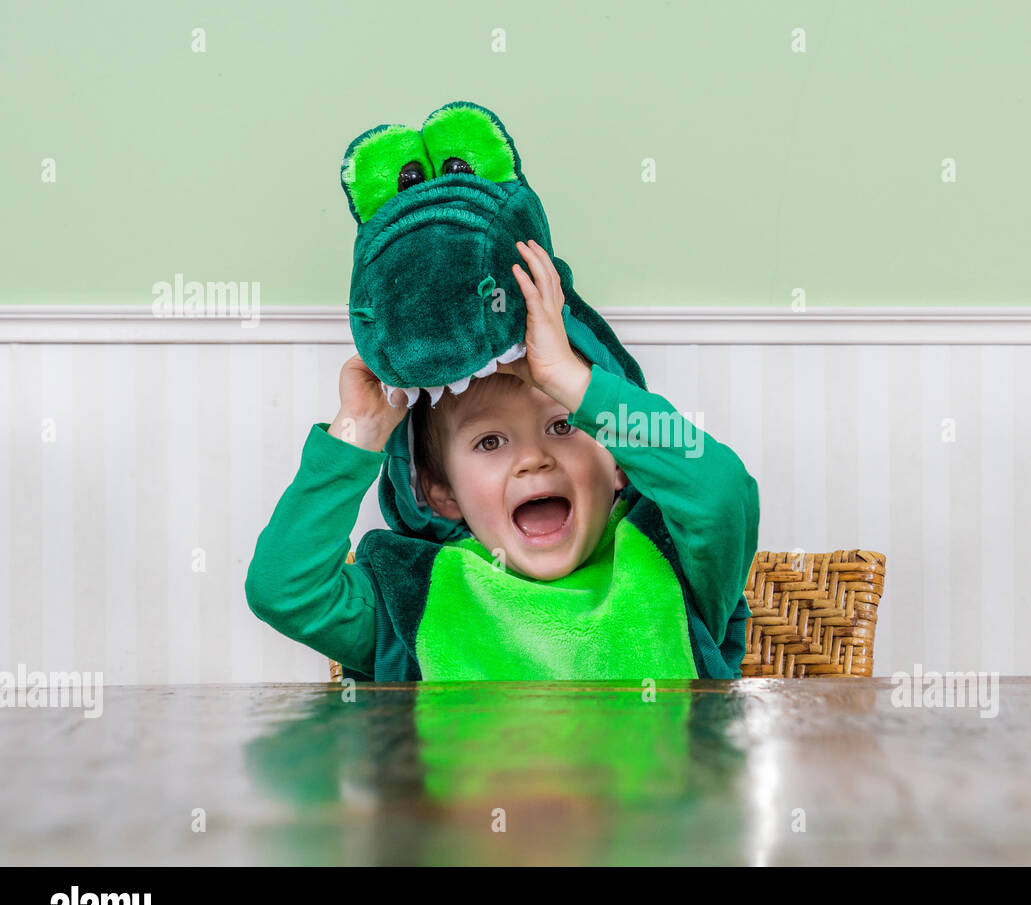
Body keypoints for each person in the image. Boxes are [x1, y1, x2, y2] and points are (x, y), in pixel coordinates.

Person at [245, 240, 759, 680]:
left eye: (563, 425)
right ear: (438, 490)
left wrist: (570, 381)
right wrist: (359, 429)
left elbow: (720, 495)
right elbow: (284, 591)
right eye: (489, 443)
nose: (533, 460)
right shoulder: (413, 598)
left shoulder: (676, 562)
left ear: (619, 460)